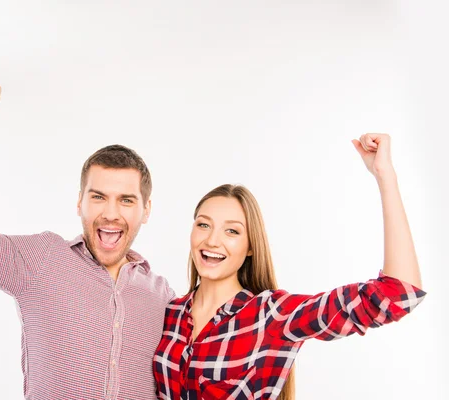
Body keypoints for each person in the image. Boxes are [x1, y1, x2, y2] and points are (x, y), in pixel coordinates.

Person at [0, 74, 174, 399]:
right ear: (79, 202)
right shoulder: (40, 260)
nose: (111, 213)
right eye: (98, 197)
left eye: (126, 200)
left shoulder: (164, 297)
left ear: (146, 210)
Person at [153, 134, 425, 400]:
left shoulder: (271, 315)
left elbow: (398, 293)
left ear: (250, 246)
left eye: (232, 231)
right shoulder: (170, 312)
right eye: (203, 224)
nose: (212, 240)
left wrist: (385, 176)